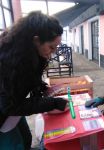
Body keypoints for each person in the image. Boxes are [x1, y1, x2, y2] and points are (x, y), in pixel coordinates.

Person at [0, 11, 68, 150]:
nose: (52, 53)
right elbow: (9, 106)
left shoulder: (31, 53)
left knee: (26, 138)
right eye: (51, 47)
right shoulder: (7, 62)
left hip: (12, 111)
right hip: (4, 113)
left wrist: (42, 88)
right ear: (36, 40)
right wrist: (51, 103)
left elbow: (30, 79)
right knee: (14, 145)